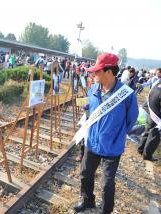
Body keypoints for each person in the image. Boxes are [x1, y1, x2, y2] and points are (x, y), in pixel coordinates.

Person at [73, 53, 138, 214]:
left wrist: (116, 134)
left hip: (112, 146)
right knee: (85, 174)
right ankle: (87, 200)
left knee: (107, 183)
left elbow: (131, 119)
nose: (93, 74)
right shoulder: (94, 89)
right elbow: (90, 108)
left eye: (97, 71)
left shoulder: (127, 95)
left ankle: (105, 210)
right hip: (92, 142)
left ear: (109, 72)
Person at [137, 80, 161, 161]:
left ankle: (140, 149)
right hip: (158, 118)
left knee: (147, 132)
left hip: (152, 114)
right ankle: (147, 155)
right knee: (154, 137)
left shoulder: (156, 86)